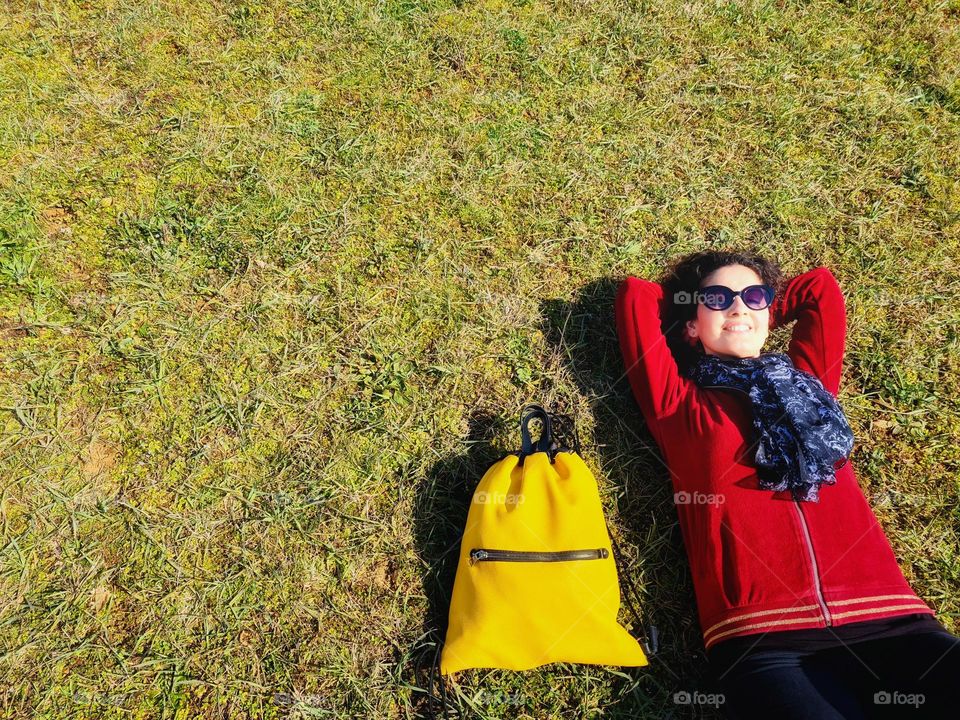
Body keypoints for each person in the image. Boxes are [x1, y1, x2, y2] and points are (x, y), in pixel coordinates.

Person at [613, 249, 959, 719]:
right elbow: (637, 295)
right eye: (717, 298)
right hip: (766, 640)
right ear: (690, 327)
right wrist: (694, 302)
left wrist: (752, 309)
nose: (738, 307)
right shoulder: (677, 404)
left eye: (754, 296)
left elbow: (819, 290)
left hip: (895, 622)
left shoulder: (810, 388)